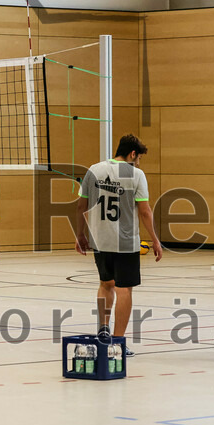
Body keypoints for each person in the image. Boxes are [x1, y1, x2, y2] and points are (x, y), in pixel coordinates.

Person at [75, 134, 163, 355]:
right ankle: (118, 343)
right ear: (132, 154)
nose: (139, 162)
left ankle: (103, 331)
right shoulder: (135, 174)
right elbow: (144, 211)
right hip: (125, 242)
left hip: (99, 239)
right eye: (139, 157)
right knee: (124, 290)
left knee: (106, 284)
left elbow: (80, 206)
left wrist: (80, 234)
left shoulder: (94, 169)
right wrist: (154, 238)